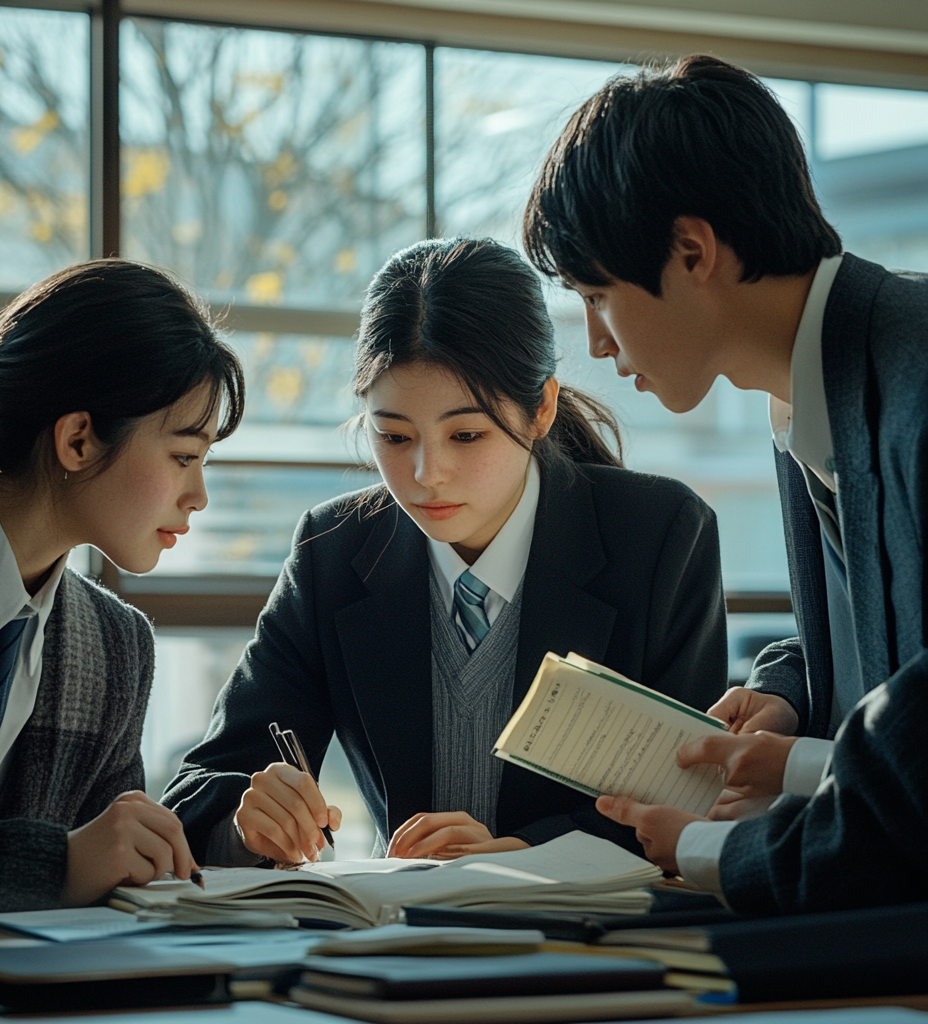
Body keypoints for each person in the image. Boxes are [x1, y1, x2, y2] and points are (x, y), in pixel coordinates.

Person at [162, 237, 727, 867]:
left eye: (465, 433)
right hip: (399, 939)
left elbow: (692, 795)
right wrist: (249, 823)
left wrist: (518, 855)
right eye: (394, 436)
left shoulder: (659, 536)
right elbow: (201, 789)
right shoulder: (334, 554)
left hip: (591, 940)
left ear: (542, 407)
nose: (428, 474)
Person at [523, 54, 928, 912]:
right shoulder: (807, 397)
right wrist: (792, 696)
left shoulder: (917, 381)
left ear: (691, 250)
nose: (596, 343)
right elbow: (893, 655)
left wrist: (710, 850)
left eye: (597, 295)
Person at [0, 259, 245, 914]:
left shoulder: (115, 648)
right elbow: (67, 865)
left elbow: (102, 882)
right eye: (183, 456)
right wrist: (57, 864)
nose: (198, 496)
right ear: (79, 439)